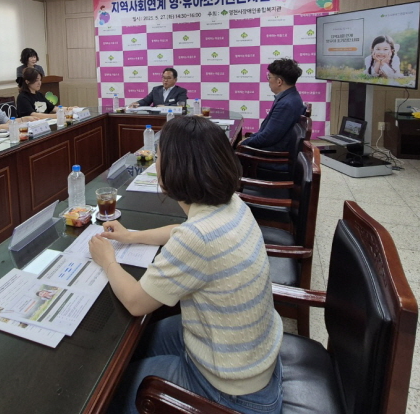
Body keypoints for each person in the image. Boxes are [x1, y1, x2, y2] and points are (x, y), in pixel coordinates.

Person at [89, 116, 283, 414]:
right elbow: (181, 231)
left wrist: (108, 260)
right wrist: (131, 236)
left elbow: (136, 302)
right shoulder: (232, 204)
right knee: (140, 343)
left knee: (109, 392)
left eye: (159, 157)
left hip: (233, 393)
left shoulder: (197, 238)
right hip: (252, 360)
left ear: (173, 170)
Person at [241, 58, 306, 156]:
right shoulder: (290, 97)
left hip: (273, 155)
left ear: (279, 82)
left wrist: (242, 143)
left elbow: (266, 138)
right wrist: (250, 139)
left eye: (269, 77)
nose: (268, 80)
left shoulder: (286, 104)